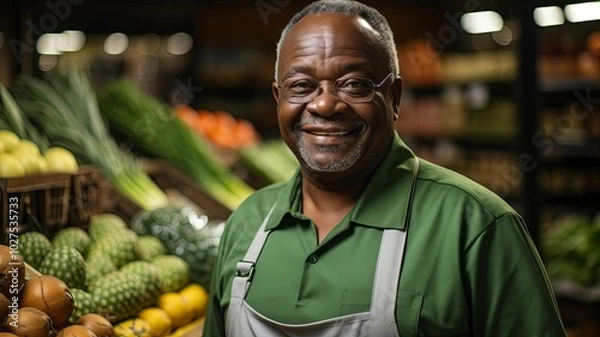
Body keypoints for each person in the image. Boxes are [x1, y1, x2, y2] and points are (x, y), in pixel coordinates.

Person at [203, 0, 567, 336]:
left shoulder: (476, 226)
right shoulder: (246, 224)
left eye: (354, 84)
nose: (326, 104)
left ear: (394, 98)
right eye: (302, 86)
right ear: (277, 99)